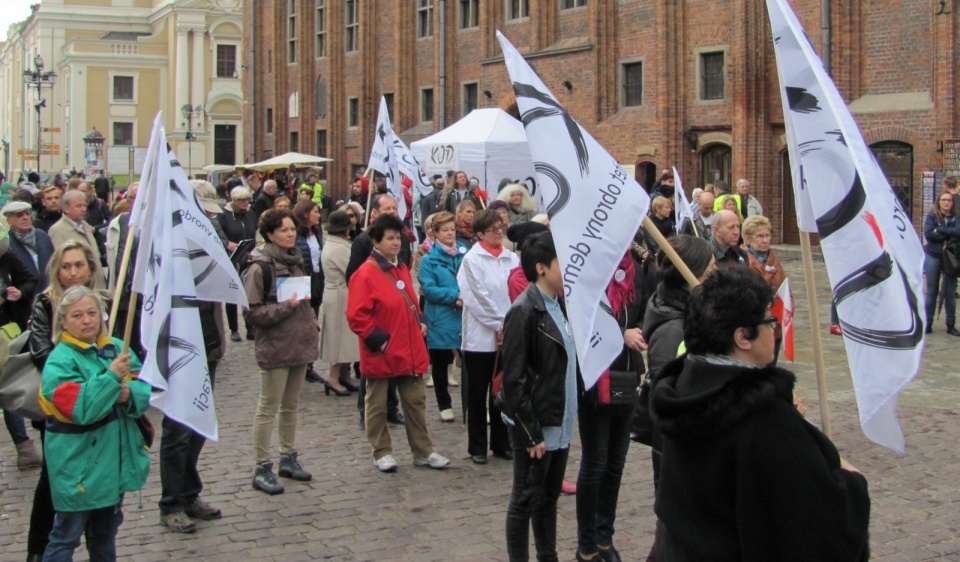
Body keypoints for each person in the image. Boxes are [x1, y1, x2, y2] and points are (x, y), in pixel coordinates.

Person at [649, 266, 870, 561]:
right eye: (769, 321)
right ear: (743, 337)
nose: (775, 330)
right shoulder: (765, 419)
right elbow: (819, 530)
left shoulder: (682, 388)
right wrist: (851, 480)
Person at [38, 285, 151, 562]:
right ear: (63, 321)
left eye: (91, 313)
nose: (87, 320)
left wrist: (128, 394)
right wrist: (112, 379)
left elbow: (145, 389)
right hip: (78, 468)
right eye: (77, 315)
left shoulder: (116, 347)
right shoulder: (59, 361)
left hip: (113, 463)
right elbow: (81, 409)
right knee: (66, 537)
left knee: (105, 535)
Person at [346, 214, 451, 473]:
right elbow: (357, 316)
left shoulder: (401, 267)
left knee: (415, 402)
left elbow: (410, 299)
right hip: (383, 349)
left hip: (409, 346)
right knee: (378, 404)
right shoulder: (365, 273)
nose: (395, 243)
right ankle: (381, 451)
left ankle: (423, 450)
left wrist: (421, 318)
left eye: (398, 238)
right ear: (376, 241)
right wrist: (379, 341)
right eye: (390, 238)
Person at [26, 240, 107, 560]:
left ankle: (98, 544)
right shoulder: (46, 303)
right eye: (66, 266)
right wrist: (86, 375)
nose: (73, 272)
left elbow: (116, 347)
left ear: (91, 268)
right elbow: (41, 354)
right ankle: (39, 550)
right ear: (57, 270)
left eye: (79, 265)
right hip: (61, 409)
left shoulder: (104, 301)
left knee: (99, 480)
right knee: (53, 482)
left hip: (103, 408)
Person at [500, 231, 576, 562]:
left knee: (547, 497)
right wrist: (530, 433)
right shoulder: (524, 310)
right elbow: (513, 378)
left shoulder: (560, 305)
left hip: (559, 418)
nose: (569, 268)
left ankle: (549, 556)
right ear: (542, 267)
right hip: (535, 424)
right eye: (563, 262)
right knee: (525, 498)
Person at [641, 235, 716, 562]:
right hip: (678, 446)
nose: (716, 275)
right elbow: (667, 393)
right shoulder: (674, 328)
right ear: (690, 275)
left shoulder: (691, 312)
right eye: (710, 270)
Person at [575, 248, 649, 562]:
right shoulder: (588, 271)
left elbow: (645, 310)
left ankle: (606, 538)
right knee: (595, 463)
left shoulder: (634, 269)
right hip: (595, 376)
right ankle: (587, 545)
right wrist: (620, 334)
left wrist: (636, 332)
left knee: (616, 462)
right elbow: (580, 321)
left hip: (627, 373)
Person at [244, 208, 319, 494]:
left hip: (299, 344)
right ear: (270, 234)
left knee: (290, 405)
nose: (290, 234)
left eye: (292, 229)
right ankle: (262, 465)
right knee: (268, 407)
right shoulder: (260, 267)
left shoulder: (296, 260)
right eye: (284, 230)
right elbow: (251, 313)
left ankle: (288, 456)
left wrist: (310, 321)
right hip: (276, 346)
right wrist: (285, 307)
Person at [457, 209, 519, 465]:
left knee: (502, 390)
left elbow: (518, 291)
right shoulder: (472, 260)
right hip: (480, 338)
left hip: (510, 334)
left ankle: (502, 442)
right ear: (480, 234)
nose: (499, 232)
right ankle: (477, 446)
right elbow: (476, 297)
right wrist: (499, 325)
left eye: (501, 227)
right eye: (493, 229)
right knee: (478, 391)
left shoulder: (512, 259)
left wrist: (512, 325)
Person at [417, 211, 465, 423]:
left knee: (469, 362)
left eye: (452, 229)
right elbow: (429, 289)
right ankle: (444, 404)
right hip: (440, 316)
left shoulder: (465, 253)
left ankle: (470, 403)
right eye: (444, 230)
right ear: (435, 233)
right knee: (440, 361)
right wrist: (455, 295)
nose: (449, 234)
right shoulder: (428, 260)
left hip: (464, 315)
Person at [320, 211, 362, 399]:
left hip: (342, 292)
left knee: (346, 338)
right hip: (339, 294)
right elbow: (354, 268)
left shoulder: (337, 244)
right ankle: (333, 377)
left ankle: (344, 374)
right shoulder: (338, 248)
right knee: (337, 338)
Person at [293, 199, 331, 386]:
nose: (319, 215)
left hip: (316, 280)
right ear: (306, 213)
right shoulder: (296, 235)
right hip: (301, 281)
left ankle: (308, 366)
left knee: (312, 323)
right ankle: (298, 365)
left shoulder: (316, 232)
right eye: (315, 212)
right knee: (301, 325)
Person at [743, 216, 788, 362]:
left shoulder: (774, 260)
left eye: (767, 235)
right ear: (748, 238)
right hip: (753, 322)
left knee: (770, 363)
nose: (765, 240)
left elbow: (783, 286)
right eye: (760, 236)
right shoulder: (743, 260)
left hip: (774, 323)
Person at [219, 186, 258, 342]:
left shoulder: (250, 214)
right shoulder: (223, 215)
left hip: (248, 257)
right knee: (232, 293)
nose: (246, 203)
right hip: (231, 258)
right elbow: (218, 235)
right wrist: (228, 244)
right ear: (234, 201)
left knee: (249, 293)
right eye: (242, 200)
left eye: (247, 200)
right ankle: (234, 329)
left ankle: (250, 327)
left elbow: (253, 231)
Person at [923, 191, 960, 335]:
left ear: (952, 203)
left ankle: (950, 323)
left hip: (951, 257)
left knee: (950, 292)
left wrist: (940, 230)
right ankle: (928, 323)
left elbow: (958, 232)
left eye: (949, 200)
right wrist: (946, 234)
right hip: (934, 256)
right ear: (939, 202)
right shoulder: (932, 216)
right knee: (932, 292)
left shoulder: (956, 217)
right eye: (943, 200)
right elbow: (928, 233)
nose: (946, 203)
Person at [49, 190, 104, 283]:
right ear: (66, 209)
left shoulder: (85, 226)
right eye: (78, 206)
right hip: (79, 287)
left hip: (96, 284)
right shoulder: (58, 230)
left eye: (84, 205)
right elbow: (61, 264)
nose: (83, 209)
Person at [5, 200, 54, 291]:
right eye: (20, 215)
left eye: (27, 214)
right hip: (24, 297)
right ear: (9, 220)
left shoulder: (42, 235)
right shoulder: (7, 243)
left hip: (48, 294)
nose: (25, 217)